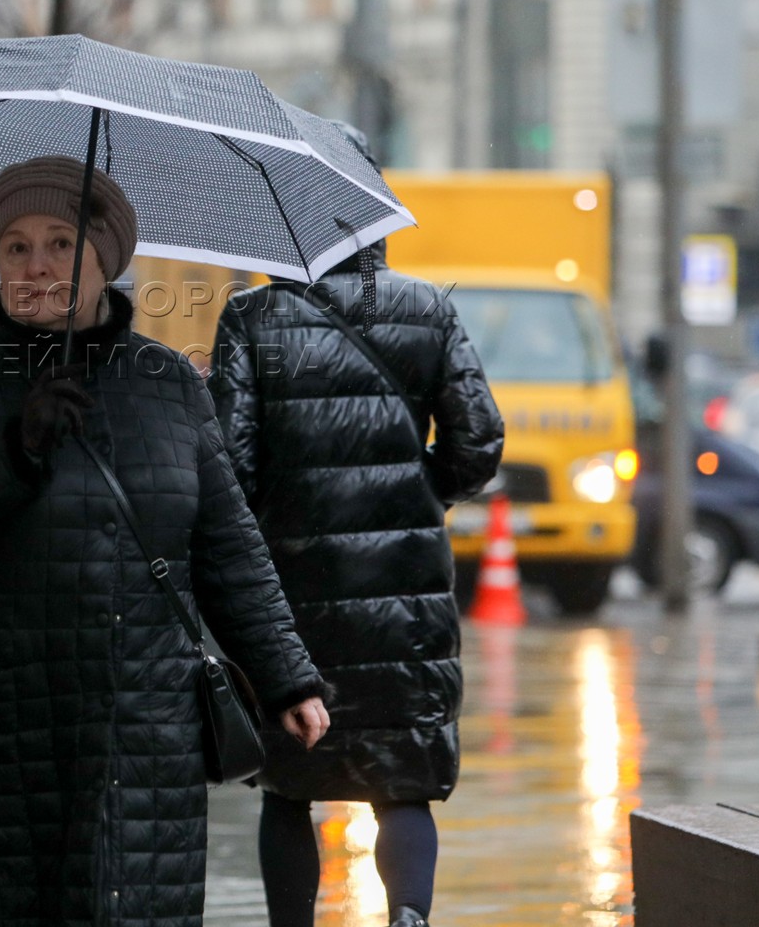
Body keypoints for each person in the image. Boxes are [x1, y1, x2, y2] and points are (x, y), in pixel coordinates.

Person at [0, 156, 330, 927]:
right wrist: (14, 451)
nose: (38, 264)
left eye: (60, 242)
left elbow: (226, 543)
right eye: (16, 247)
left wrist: (287, 676)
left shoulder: (169, 383)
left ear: (106, 259)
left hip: (140, 731)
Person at [206, 130, 504, 927]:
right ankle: (407, 916)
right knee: (401, 776)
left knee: (289, 782)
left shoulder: (250, 320)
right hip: (404, 599)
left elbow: (228, 466)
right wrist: (416, 496)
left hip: (290, 594)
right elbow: (479, 443)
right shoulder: (428, 310)